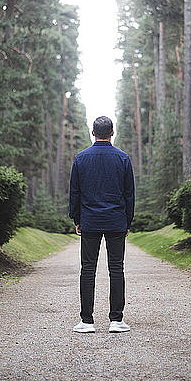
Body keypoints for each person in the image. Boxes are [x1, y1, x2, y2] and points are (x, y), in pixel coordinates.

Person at [69, 116, 135, 333]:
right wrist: (128, 221)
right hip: (116, 220)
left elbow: (75, 193)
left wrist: (76, 219)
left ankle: (87, 321)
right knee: (116, 269)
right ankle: (116, 320)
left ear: (93, 133)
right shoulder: (123, 159)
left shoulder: (80, 159)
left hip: (90, 220)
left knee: (88, 269)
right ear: (112, 133)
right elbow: (129, 195)